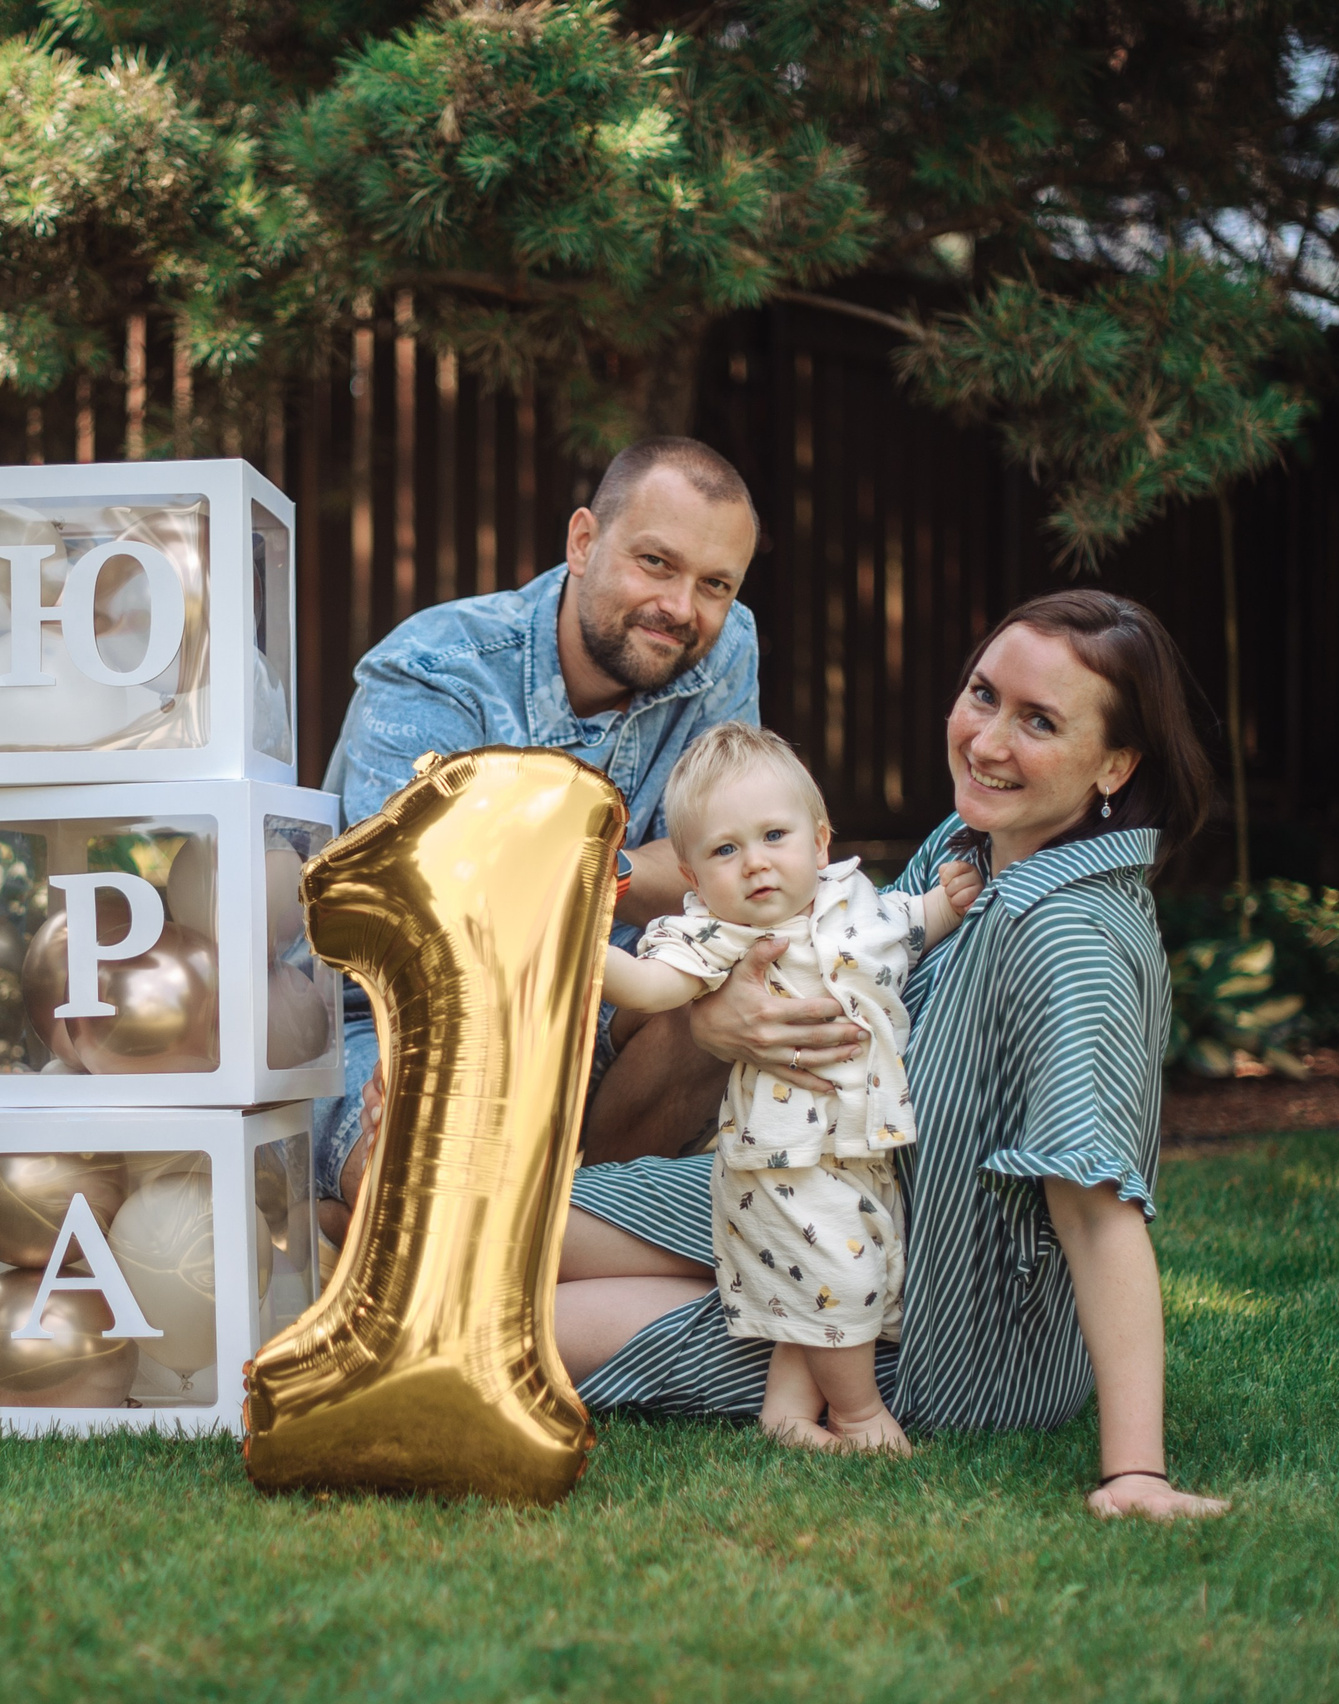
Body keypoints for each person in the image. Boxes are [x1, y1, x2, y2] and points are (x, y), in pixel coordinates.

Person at [364, 590, 1231, 1518]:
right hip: (803, 1184)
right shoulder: (974, 847)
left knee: (491, 1312)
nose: (986, 742)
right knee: (436, 1214)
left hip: (921, 1322)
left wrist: (1136, 1471)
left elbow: (1099, 1212)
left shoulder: (1071, 938)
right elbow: (837, 941)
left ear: (1115, 764)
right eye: (982, 694)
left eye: (1039, 722)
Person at [314, 437, 869, 1233]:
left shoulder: (723, 646)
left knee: (768, 965)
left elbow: (738, 869)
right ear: (583, 542)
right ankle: (376, 1211)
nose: (682, 607)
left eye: (715, 583)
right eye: (655, 562)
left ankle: (579, 1219)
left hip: (617, 996)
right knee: (428, 1149)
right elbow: (427, 919)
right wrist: (641, 875)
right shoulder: (437, 669)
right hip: (408, 1015)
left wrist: (541, 872)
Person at [599, 722, 983, 1454]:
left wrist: (948, 903)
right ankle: (861, 1414)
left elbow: (911, 924)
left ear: (819, 841)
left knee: (818, 1279)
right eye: (725, 850)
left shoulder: (858, 902)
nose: (755, 865)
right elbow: (649, 987)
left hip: (858, 1150)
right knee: (842, 1275)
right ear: (692, 877)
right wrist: (586, 950)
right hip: (788, 1161)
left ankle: (785, 1414)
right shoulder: (718, 934)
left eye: (774, 836)